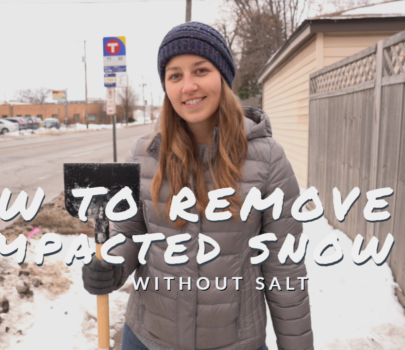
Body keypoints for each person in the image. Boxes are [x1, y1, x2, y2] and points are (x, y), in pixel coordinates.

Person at [82, 22, 314, 350]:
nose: (188, 86)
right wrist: (112, 264)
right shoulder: (144, 155)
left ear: (223, 76)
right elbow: (131, 234)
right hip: (148, 339)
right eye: (175, 75)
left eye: (200, 70)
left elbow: (285, 270)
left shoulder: (268, 160)